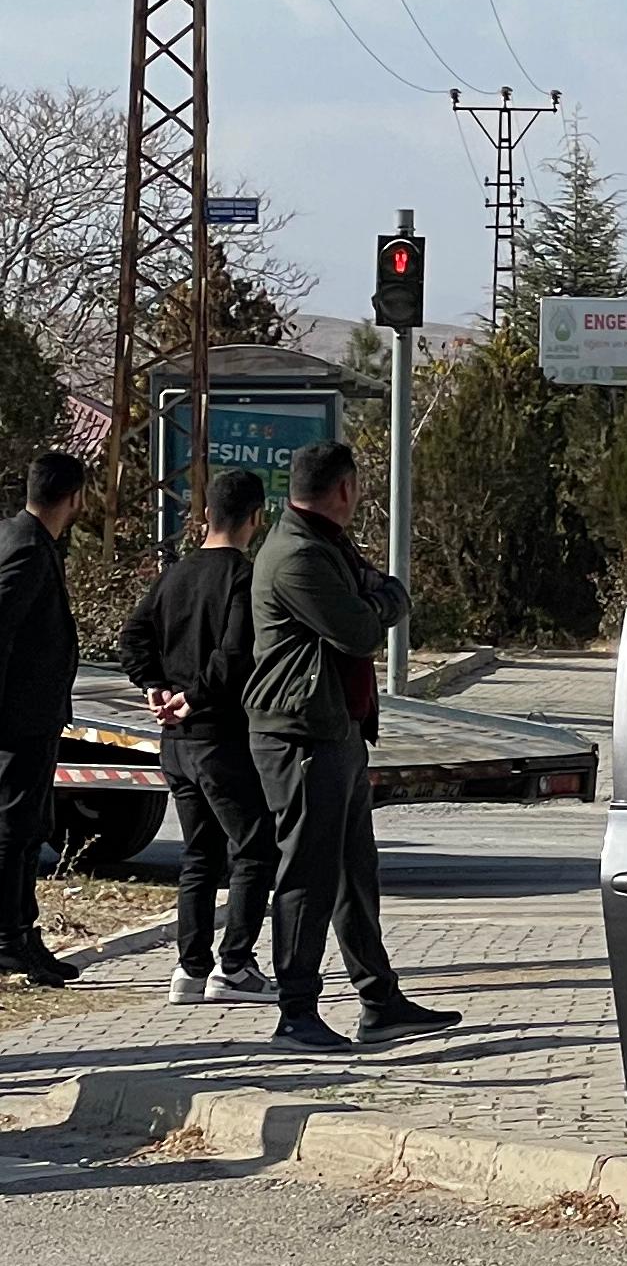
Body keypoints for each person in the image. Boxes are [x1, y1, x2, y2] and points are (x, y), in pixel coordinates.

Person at [248, 441, 460, 1055]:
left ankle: (380, 1002)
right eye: (359, 485)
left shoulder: (324, 546)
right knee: (306, 876)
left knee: (352, 874)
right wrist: (387, 599)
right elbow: (362, 626)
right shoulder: (296, 556)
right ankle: (295, 1012)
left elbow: (374, 596)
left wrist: (379, 596)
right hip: (300, 736)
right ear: (344, 489)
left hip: (334, 727)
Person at [118, 467, 279, 1001]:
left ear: (205, 514)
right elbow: (235, 655)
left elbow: (134, 634)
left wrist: (155, 687)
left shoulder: (175, 574)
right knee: (254, 847)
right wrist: (197, 697)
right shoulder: (244, 577)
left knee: (198, 854)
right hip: (220, 737)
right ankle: (235, 966)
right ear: (257, 517)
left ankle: (189, 969)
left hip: (176, 744)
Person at [0, 449, 92, 989]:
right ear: (76, 497)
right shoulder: (27, 550)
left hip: (32, 716)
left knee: (30, 825)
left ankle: (23, 932)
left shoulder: (26, 538)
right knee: (14, 828)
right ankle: (10, 938)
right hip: (19, 719)